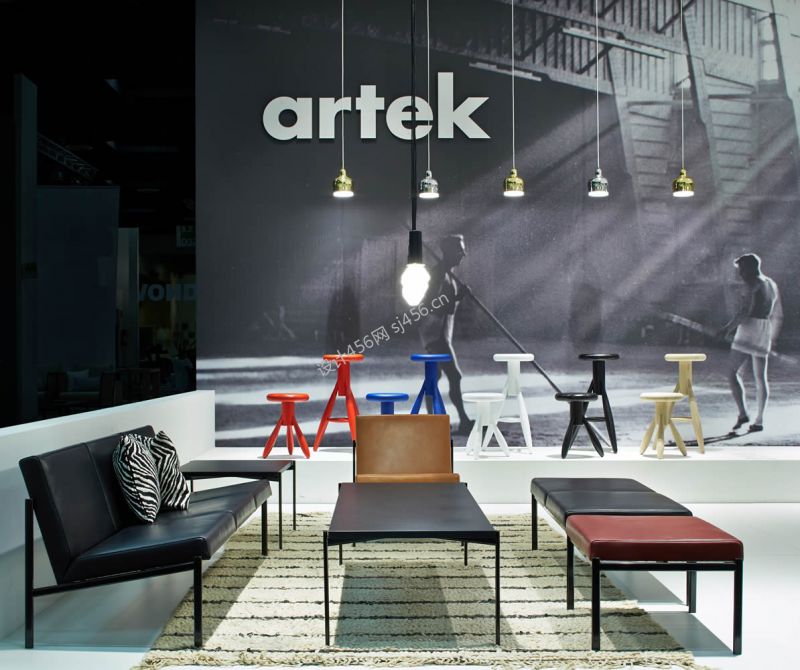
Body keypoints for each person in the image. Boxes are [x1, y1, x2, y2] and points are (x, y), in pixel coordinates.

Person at [721, 253, 783, 432]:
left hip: (748, 329)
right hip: (764, 328)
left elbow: (744, 312)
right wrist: (772, 337)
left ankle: (743, 413)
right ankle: (759, 420)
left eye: (741, 269)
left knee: (731, 372)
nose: (740, 273)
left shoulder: (753, 284)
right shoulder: (771, 283)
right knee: (760, 377)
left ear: (749, 268)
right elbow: (776, 313)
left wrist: (726, 329)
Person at [418, 234, 473, 434]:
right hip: (435, 334)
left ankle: (434, 420)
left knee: (435, 376)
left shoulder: (448, 274)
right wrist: (457, 297)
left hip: (441, 333)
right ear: (448, 251)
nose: (463, 254)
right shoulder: (439, 274)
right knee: (454, 376)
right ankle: (463, 421)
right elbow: (430, 306)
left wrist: (457, 297)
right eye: (460, 250)